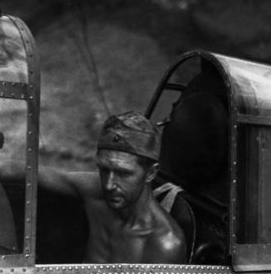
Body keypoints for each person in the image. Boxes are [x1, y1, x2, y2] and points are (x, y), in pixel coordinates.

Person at [40, 111, 186, 264]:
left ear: (150, 173)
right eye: (104, 169)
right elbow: (34, 174)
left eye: (123, 173)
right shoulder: (94, 190)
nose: (109, 185)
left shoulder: (165, 244)